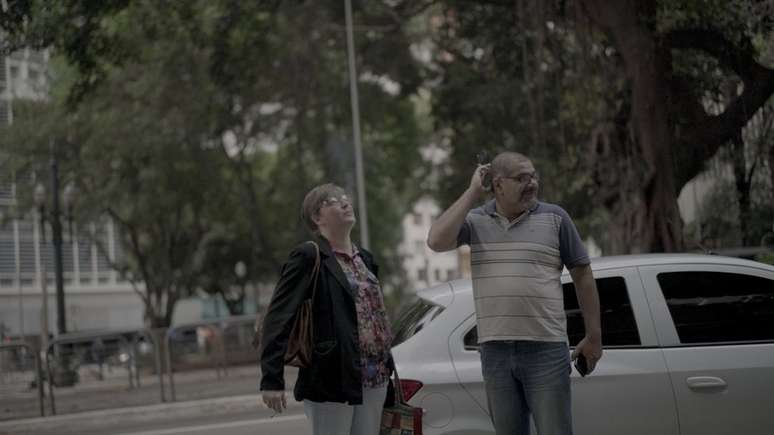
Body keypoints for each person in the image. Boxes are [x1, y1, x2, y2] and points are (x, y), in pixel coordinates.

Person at [427, 152, 602, 435]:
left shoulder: (556, 218)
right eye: (522, 178)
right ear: (498, 185)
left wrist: (594, 336)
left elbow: (583, 275)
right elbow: (436, 240)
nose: (532, 183)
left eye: (534, 176)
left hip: (546, 349)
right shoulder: (475, 222)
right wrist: (473, 192)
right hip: (495, 353)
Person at [259, 183, 394, 435]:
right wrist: (271, 378)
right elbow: (278, 316)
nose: (345, 203)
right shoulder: (309, 256)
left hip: (375, 377)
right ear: (316, 218)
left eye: (345, 198)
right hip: (332, 379)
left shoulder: (365, 258)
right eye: (333, 201)